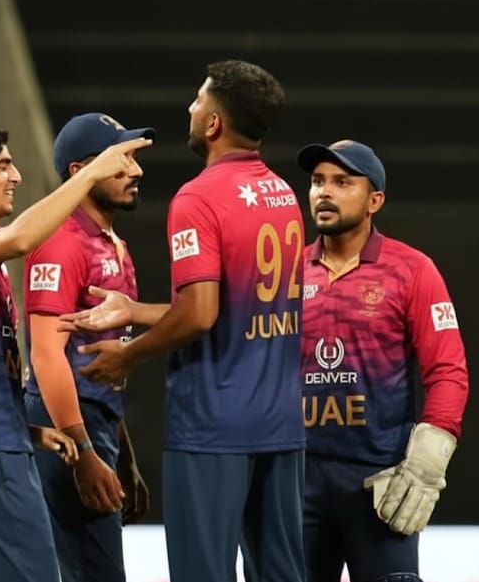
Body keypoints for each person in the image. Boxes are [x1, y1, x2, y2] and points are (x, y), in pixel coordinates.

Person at [63, 60, 306, 582]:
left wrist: (127, 355)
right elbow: (233, 307)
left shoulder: (198, 197)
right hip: (281, 423)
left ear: (214, 123)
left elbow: (199, 314)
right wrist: (134, 310)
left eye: (199, 100)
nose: (190, 108)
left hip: (214, 424)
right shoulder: (283, 193)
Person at [0, 119, 151, 582]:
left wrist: (30, 432)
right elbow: (21, 239)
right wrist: (90, 174)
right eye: (3, 165)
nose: (16, 176)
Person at [295, 140, 470, 582]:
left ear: (374, 200)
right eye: (317, 182)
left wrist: (426, 463)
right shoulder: (286, 274)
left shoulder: (412, 270)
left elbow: (447, 372)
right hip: (296, 480)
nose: (324, 192)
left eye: (342, 182)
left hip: (380, 482)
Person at [22, 112, 152, 582]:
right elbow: (46, 355)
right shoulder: (61, 242)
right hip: (65, 428)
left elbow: (103, 363)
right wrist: (83, 451)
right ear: (81, 171)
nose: (136, 171)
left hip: (95, 424)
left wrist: (124, 454)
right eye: (121, 161)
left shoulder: (113, 244)